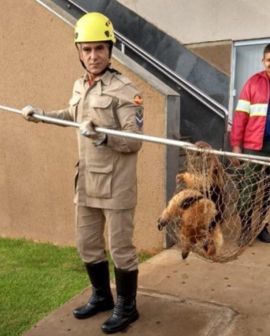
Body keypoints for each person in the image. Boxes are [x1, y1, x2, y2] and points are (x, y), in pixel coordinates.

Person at [22, 12, 143, 334]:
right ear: (79, 51)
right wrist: (40, 115)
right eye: (86, 49)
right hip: (88, 180)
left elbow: (135, 141)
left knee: (121, 249)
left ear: (110, 50)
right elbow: (72, 114)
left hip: (117, 185)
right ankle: (102, 297)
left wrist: (102, 134)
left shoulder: (125, 90)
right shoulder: (80, 85)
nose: (93, 56)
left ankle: (127, 308)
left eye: (99, 49)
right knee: (87, 244)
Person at [230, 43, 270, 244]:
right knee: (248, 189)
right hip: (254, 145)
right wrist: (236, 145)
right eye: (269, 60)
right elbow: (240, 117)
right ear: (263, 61)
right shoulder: (253, 83)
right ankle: (245, 228)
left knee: (268, 193)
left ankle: (262, 227)